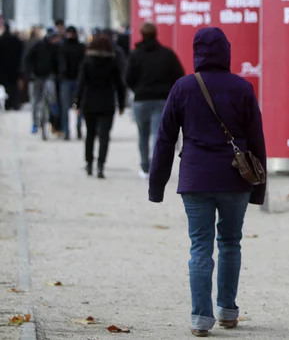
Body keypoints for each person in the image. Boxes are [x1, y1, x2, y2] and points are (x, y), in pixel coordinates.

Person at [148, 27, 266, 337]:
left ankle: (201, 319)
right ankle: (227, 310)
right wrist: (259, 190)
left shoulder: (183, 87)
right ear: (227, 51)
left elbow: (165, 139)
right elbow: (256, 139)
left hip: (196, 178)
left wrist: (156, 186)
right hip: (235, 178)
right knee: (230, 242)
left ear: (196, 52)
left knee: (199, 247)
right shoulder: (242, 88)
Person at [126, 22, 184, 178]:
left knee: (143, 134)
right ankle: (156, 166)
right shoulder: (167, 54)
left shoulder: (136, 54)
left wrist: (137, 89)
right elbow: (179, 76)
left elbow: (128, 77)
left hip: (142, 99)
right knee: (158, 136)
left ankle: (145, 166)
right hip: (161, 99)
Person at [76, 33, 126, 179]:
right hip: (106, 102)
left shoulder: (87, 62)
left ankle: (89, 162)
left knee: (90, 134)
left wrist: (77, 102)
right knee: (104, 136)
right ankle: (100, 165)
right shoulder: (112, 63)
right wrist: (121, 104)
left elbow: (81, 84)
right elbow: (119, 85)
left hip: (89, 101)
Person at [24, 31, 60, 139]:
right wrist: (29, 73)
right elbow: (27, 59)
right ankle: (35, 123)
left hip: (49, 75)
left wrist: (59, 73)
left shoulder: (54, 48)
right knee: (35, 100)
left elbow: (59, 61)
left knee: (51, 92)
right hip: (36, 76)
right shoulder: (37, 46)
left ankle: (53, 106)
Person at [59, 26, 85, 140]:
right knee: (66, 107)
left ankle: (78, 127)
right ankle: (66, 130)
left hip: (77, 79)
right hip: (66, 79)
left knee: (79, 105)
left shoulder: (80, 47)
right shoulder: (62, 47)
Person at [0, 22, 24, 111]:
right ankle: (14, 103)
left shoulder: (1, 39)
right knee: (14, 86)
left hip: (3, 68)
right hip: (15, 67)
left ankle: (8, 104)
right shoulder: (16, 40)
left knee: (6, 87)